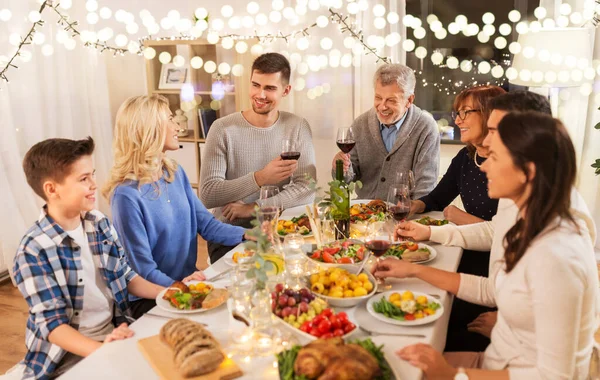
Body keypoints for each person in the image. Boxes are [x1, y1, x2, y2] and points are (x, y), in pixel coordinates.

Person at [375, 112, 598, 379]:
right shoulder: (528, 222)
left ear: (528, 171)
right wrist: (413, 271)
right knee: (386, 360)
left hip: (511, 371)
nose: (483, 167)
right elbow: (493, 288)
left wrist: (451, 374)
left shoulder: (557, 256)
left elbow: (553, 377)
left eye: (495, 157)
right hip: (496, 361)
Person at [12, 137, 165, 379]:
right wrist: (104, 351)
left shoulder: (98, 223)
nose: (94, 184)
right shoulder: (34, 250)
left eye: (92, 174)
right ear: (51, 189)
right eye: (84, 179)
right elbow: (53, 326)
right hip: (66, 355)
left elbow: (126, 276)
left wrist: (168, 294)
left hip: (115, 330)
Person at [103, 95, 250, 318]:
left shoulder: (173, 172)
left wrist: (250, 235)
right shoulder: (126, 196)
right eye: (170, 119)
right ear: (149, 129)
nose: (177, 126)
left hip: (187, 282)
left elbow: (207, 225)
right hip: (153, 296)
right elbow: (143, 270)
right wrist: (181, 287)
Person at [200, 52, 317, 263]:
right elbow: (208, 194)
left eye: (270, 88)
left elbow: (306, 188)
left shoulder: (297, 126)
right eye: (255, 85)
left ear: (286, 90)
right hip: (230, 236)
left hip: (281, 232)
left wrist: (254, 208)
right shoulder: (222, 129)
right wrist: (260, 178)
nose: (260, 94)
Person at [331, 63, 439, 200]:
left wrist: (409, 215)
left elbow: (425, 187)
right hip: (364, 212)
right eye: (378, 98)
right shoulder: (360, 124)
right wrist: (341, 168)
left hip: (405, 213)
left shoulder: (426, 127)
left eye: (391, 100)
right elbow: (347, 180)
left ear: (409, 100)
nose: (382, 106)